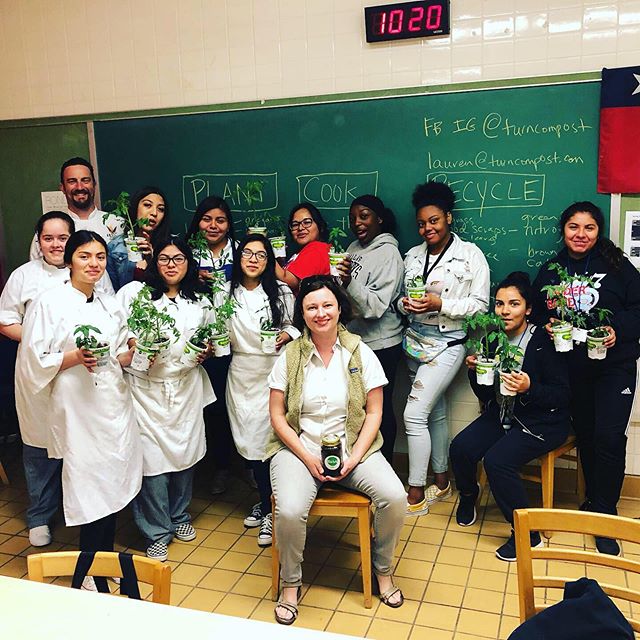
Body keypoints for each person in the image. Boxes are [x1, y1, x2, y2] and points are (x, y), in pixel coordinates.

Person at [267, 276, 406, 625]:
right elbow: (277, 416)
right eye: (311, 307)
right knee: (290, 510)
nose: (320, 313)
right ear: (302, 313)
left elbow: (375, 411)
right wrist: (307, 456)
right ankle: (290, 584)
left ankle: (383, 570)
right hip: (300, 447)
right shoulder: (291, 355)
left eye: (327, 305)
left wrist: (355, 456)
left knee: (394, 496)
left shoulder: (360, 351)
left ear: (339, 307)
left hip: (352, 447)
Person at [20, 231, 142, 586]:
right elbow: (33, 361)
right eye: (85, 256)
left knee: (111, 481)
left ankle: (102, 561)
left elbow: (119, 346)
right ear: (70, 259)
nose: (94, 264)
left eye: (100, 257)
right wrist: (74, 357)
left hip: (112, 404)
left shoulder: (107, 302)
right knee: (88, 483)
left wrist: (132, 346)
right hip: (76, 408)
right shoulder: (49, 302)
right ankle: (89, 569)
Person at [531, 201, 640, 556]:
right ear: (563, 231)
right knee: (589, 436)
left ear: (599, 230)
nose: (580, 235)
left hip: (615, 367)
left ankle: (605, 515)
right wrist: (547, 326)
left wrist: (616, 329)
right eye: (573, 227)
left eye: (589, 228)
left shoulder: (618, 266)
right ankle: (593, 501)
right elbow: (535, 311)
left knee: (609, 438)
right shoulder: (551, 271)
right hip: (572, 369)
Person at [450, 272, 570, 561]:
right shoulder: (493, 340)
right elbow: (485, 395)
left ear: (528, 309)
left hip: (542, 421)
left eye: (514, 304)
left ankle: (526, 535)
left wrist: (530, 387)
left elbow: (562, 394)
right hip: (503, 414)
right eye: (500, 304)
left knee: (497, 461)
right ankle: (469, 495)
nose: (505, 310)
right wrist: (474, 371)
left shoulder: (544, 341)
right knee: (460, 448)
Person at [117, 239, 215, 562]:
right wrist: (133, 341)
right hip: (146, 391)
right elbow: (119, 330)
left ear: (188, 263)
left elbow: (211, 336)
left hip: (184, 388)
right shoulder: (136, 295)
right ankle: (156, 531)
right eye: (164, 258)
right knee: (152, 465)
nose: (171, 264)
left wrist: (205, 351)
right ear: (154, 263)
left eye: (179, 258)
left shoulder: (200, 301)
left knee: (185, 457)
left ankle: (180, 516)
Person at [400, 181, 490, 517]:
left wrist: (442, 303)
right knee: (432, 413)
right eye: (422, 223)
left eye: (434, 221)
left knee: (413, 414)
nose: (428, 229)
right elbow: (398, 300)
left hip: (449, 342)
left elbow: (481, 306)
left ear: (448, 218)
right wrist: (405, 304)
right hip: (415, 341)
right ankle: (441, 481)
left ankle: (415, 492)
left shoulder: (470, 255)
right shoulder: (411, 256)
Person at [0, 211, 74, 547]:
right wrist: (39, 342)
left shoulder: (88, 270)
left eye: (63, 237)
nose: (56, 244)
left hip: (77, 371)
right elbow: (5, 321)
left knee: (78, 441)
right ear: (38, 241)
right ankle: (40, 515)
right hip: (36, 374)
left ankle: (79, 508)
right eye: (49, 238)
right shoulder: (23, 276)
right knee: (39, 444)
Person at [226, 234, 298, 547]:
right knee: (248, 443)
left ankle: (273, 508)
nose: (254, 259)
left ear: (269, 261)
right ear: (239, 258)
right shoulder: (225, 293)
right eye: (248, 253)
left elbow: (296, 325)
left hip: (273, 373)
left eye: (261, 255)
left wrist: (286, 336)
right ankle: (263, 497)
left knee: (270, 441)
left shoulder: (280, 290)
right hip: (241, 373)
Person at [336, 195, 404, 463]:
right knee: (357, 408)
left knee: (380, 408)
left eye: (364, 216)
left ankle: (384, 465)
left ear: (380, 219)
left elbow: (375, 307)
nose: (357, 223)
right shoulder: (353, 247)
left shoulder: (389, 253)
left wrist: (349, 282)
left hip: (381, 344)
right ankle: (362, 464)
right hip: (354, 341)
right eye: (353, 218)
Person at [185, 196, 237, 494]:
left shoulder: (241, 251)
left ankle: (247, 463)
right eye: (207, 219)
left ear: (229, 224)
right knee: (213, 405)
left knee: (239, 403)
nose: (213, 225)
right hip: (203, 342)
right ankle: (220, 467)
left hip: (237, 341)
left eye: (220, 220)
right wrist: (193, 275)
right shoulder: (187, 254)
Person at [29, 157, 123, 260]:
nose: (79, 187)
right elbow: (35, 269)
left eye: (85, 180)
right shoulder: (48, 228)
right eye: (72, 181)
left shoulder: (117, 223)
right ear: (62, 188)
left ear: (94, 184)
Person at [106, 187, 171, 291]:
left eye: (161, 209)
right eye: (147, 205)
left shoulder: (171, 246)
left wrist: (154, 260)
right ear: (135, 207)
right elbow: (111, 290)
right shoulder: (116, 246)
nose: (154, 213)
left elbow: (173, 288)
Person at [275, 203, 331, 291]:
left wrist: (264, 250)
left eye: (307, 222)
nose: (300, 228)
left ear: (320, 226)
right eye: (295, 224)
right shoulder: (303, 251)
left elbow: (290, 281)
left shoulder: (317, 249)